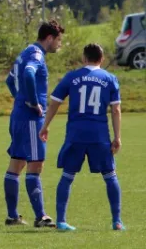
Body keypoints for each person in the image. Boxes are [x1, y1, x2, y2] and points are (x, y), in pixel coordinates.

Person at [39, 43, 125, 231]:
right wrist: (117, 137)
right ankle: (117, 221)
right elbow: (116, 109)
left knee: (67, 176)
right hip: (99, 135)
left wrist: (45, 126)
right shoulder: (110, 78)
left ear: (84, 58)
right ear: (101, 59)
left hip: (76, 134)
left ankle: (61, 221)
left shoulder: (72, 77)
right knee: (110, 176)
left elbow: (54, 103)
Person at [3, 20, 65, 227]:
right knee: (35, 164)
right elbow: (29, 73)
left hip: (19, 114)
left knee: (17, 162)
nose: (59, 44)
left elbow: (10, 81)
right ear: (49, 38)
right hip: (30, 117)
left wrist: (20, 99)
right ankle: (41, 216)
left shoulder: (25, 51)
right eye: (58, 40)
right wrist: (32, 102)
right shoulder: (36, 55)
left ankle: (12, 216)